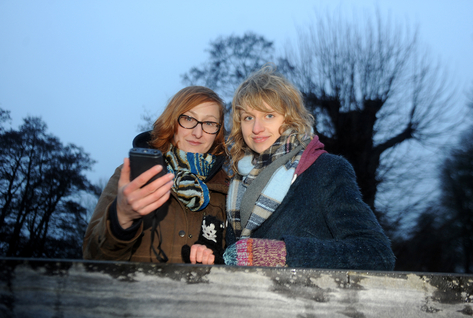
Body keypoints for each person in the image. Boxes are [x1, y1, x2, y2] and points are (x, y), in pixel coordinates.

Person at [222, 65, 396, 270]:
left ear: (290, 118)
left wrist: (285, 253)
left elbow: (377, 253)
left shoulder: (326, 171)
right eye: (248, 118)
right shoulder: (236, 180)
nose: (256, 128)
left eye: (269, 115)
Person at [83, 86, 229, 264]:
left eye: (209, 123)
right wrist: (121, 217)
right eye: (188, 118)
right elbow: (93, 257)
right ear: (172, 122)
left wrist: (217, 260)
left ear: (218, 132)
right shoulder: (133, 175)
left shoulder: (228, 189)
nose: (198, 133)